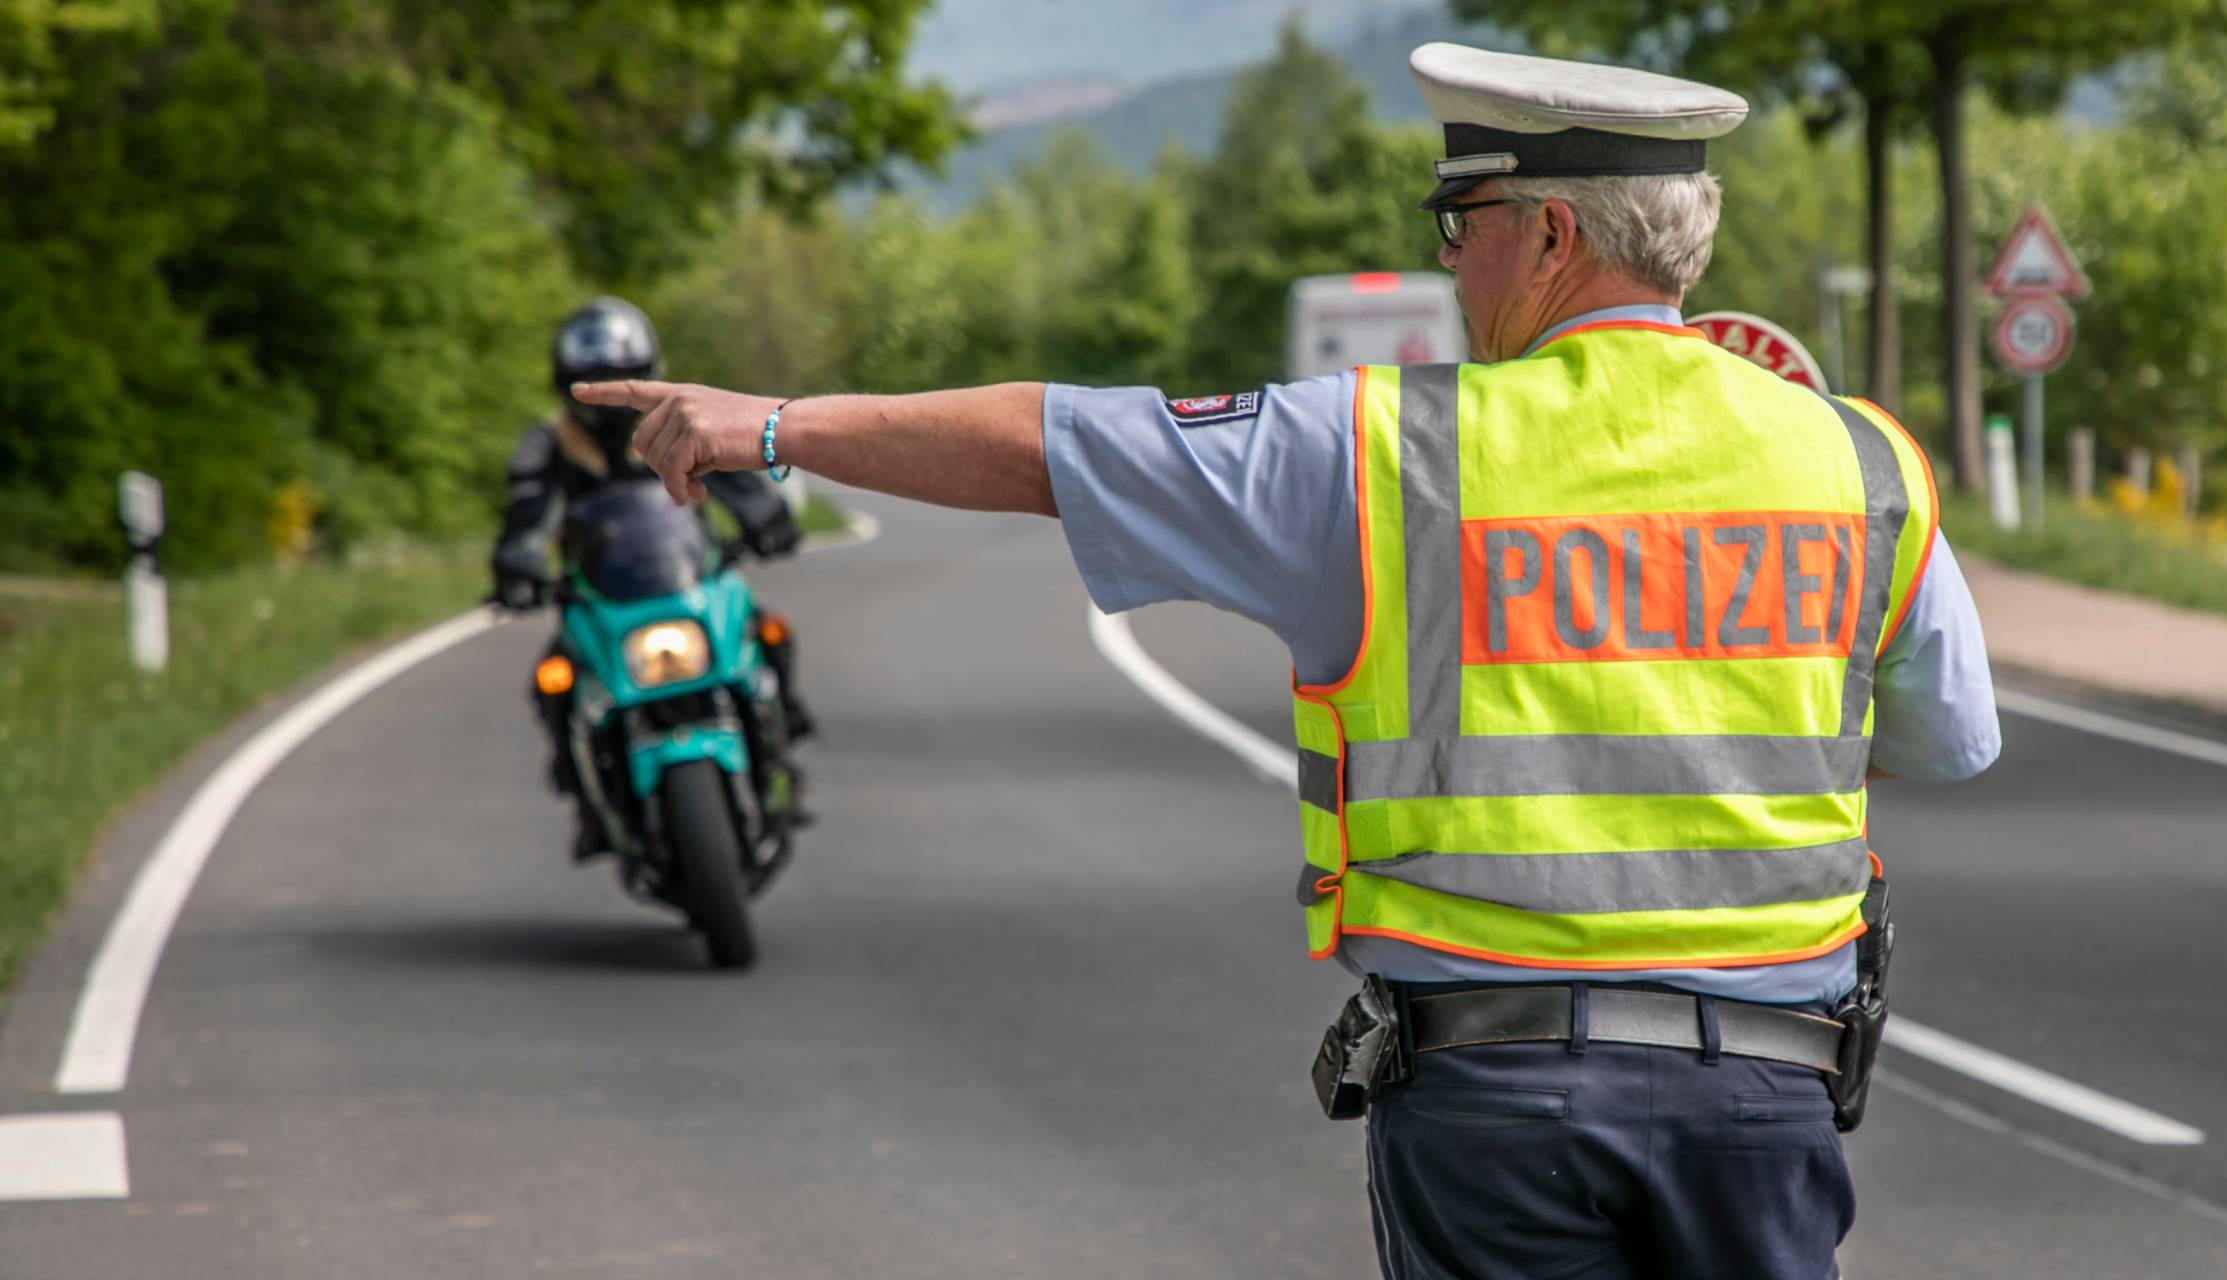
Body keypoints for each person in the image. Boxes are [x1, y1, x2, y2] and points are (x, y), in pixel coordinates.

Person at [577, 42, 1999, 1279]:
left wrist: (773, 424)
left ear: (1554, 235)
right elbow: (1950, 740)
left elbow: (1051, 443)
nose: (1448, 257)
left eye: (1463, 217)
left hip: (1501, 1100)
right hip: (1768, 1101)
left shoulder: (1382, 452)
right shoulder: (1858, 458)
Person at [490, 297, 817, 859]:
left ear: (647, 373)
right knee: (554, 680)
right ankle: (588, 801)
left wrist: (768, 520)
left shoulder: (680, 420)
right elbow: (528, 512)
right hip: (602, 597)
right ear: (567, 383)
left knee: (768, 630)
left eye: (619, 377)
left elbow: (738, 477)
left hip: (689, 578)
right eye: (592, 380)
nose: (608, 391)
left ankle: (783, 733)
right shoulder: (547, 443)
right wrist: (519, 568)